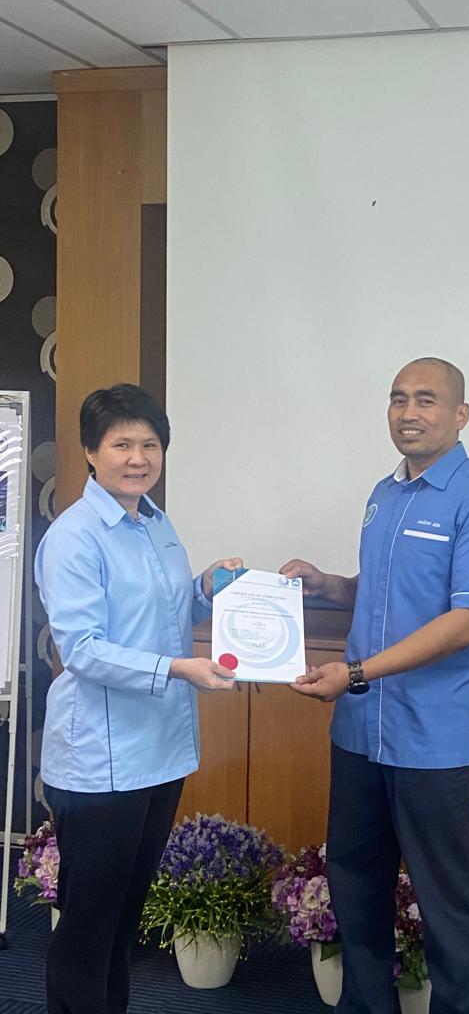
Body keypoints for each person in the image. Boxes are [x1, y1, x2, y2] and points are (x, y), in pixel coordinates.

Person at [281, 357, 469, 1014]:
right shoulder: (384, 495)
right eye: (398, 399)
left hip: (434, 739)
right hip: (361, 732)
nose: (409, 412)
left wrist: (356, 673)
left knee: (451, 905)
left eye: (426, 399)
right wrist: (330, 586)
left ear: (460, 415)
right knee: (356, 888)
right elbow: (388, 591)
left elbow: (468, 621)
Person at [36, 383, 242, 1014]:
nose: (138, 458)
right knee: (89, 926)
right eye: (121, 443)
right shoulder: (75, 537)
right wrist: (178, 668)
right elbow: (84, 649)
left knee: (124, 918)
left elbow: (164, 616)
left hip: (159, 751)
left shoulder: (155, 522)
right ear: (90, 451)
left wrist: (205, 590)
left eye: (150, 444)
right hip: (100, 760)